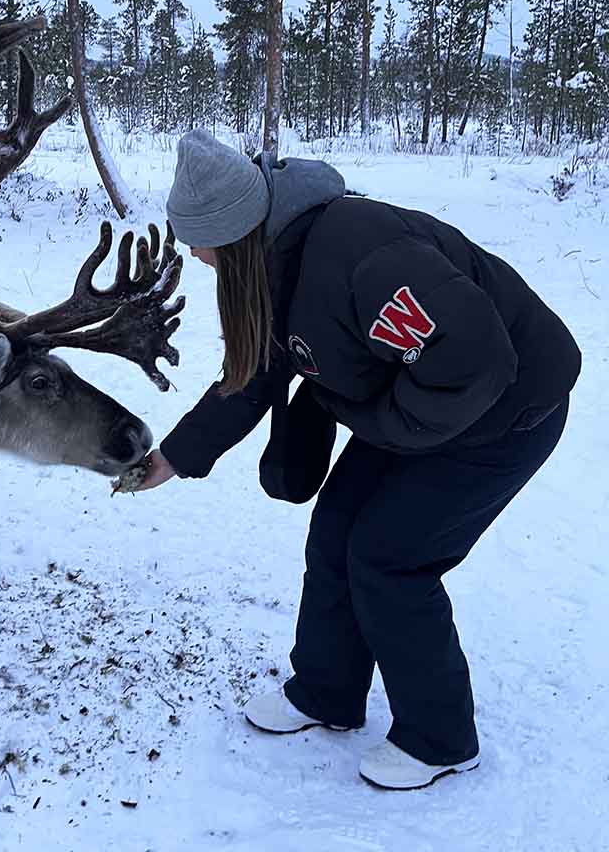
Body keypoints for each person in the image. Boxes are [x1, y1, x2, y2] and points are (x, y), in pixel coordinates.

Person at [135, 128, 581, 790]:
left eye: (193, 239)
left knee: (389, 557)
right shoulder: (274, 263)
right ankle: (326, 692)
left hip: (507, 412)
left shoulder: (365, 258)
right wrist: (171, 457)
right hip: (416, 410)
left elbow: (474, 362)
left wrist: (386, 429)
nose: (190, 253)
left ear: (230, 231)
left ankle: (440, 739)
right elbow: (255, 373)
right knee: (338, 528)